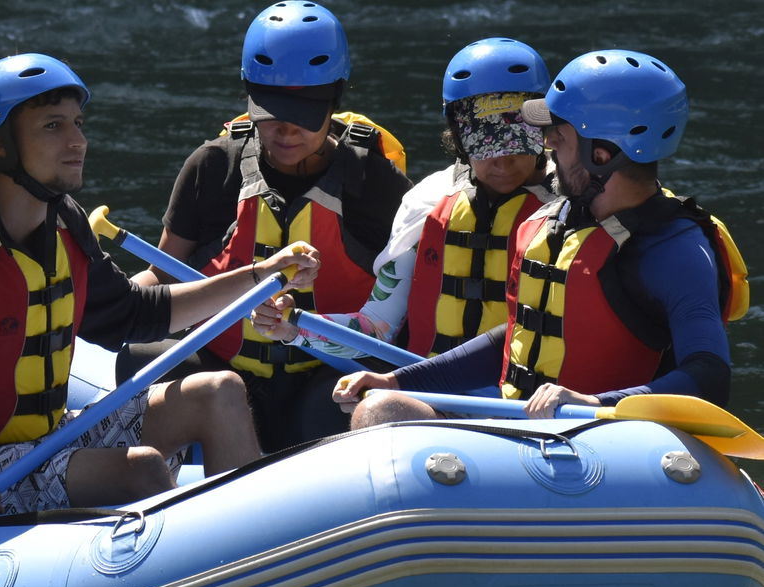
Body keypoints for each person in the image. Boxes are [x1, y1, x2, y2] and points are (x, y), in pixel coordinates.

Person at [0, 54, 319, 520]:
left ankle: (248, 546)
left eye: (77, 123)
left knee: (220, 391)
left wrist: (261, 274)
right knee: (143, 468)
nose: (77, 141)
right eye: (53, 126)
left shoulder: (63, 221)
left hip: (46, 437)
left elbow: (136, 311)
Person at [333, 49, 748, 428]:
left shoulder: (674, 248)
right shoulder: (547, 224)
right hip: (516, 421)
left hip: (603, 440)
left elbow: (708, 375)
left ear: (601, 154)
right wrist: (398, 379)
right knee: (380, 408)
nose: (545, 145)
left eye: (559, 136)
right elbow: (514, 335)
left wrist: (596, 403)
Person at [118, 1, 412, 452]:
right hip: (224, 364)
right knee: (134, 361)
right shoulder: (213, 166)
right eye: (271, 109)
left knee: (339, 410)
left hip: (326, 374)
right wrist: (105, 302)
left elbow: (402, 304)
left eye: (306, 110)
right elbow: (163, 271)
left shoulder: (374, 184)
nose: (286, 129)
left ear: (334, 99)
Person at [253, 37, 557, 360]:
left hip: (536, 403)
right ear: (458, 138)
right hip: (436, 397)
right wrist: (293, 327)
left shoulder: (577, 203)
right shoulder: (428, 202)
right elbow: (376, 326)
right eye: (486, 145)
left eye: (516, 142)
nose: (502, 162)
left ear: (543, 132)